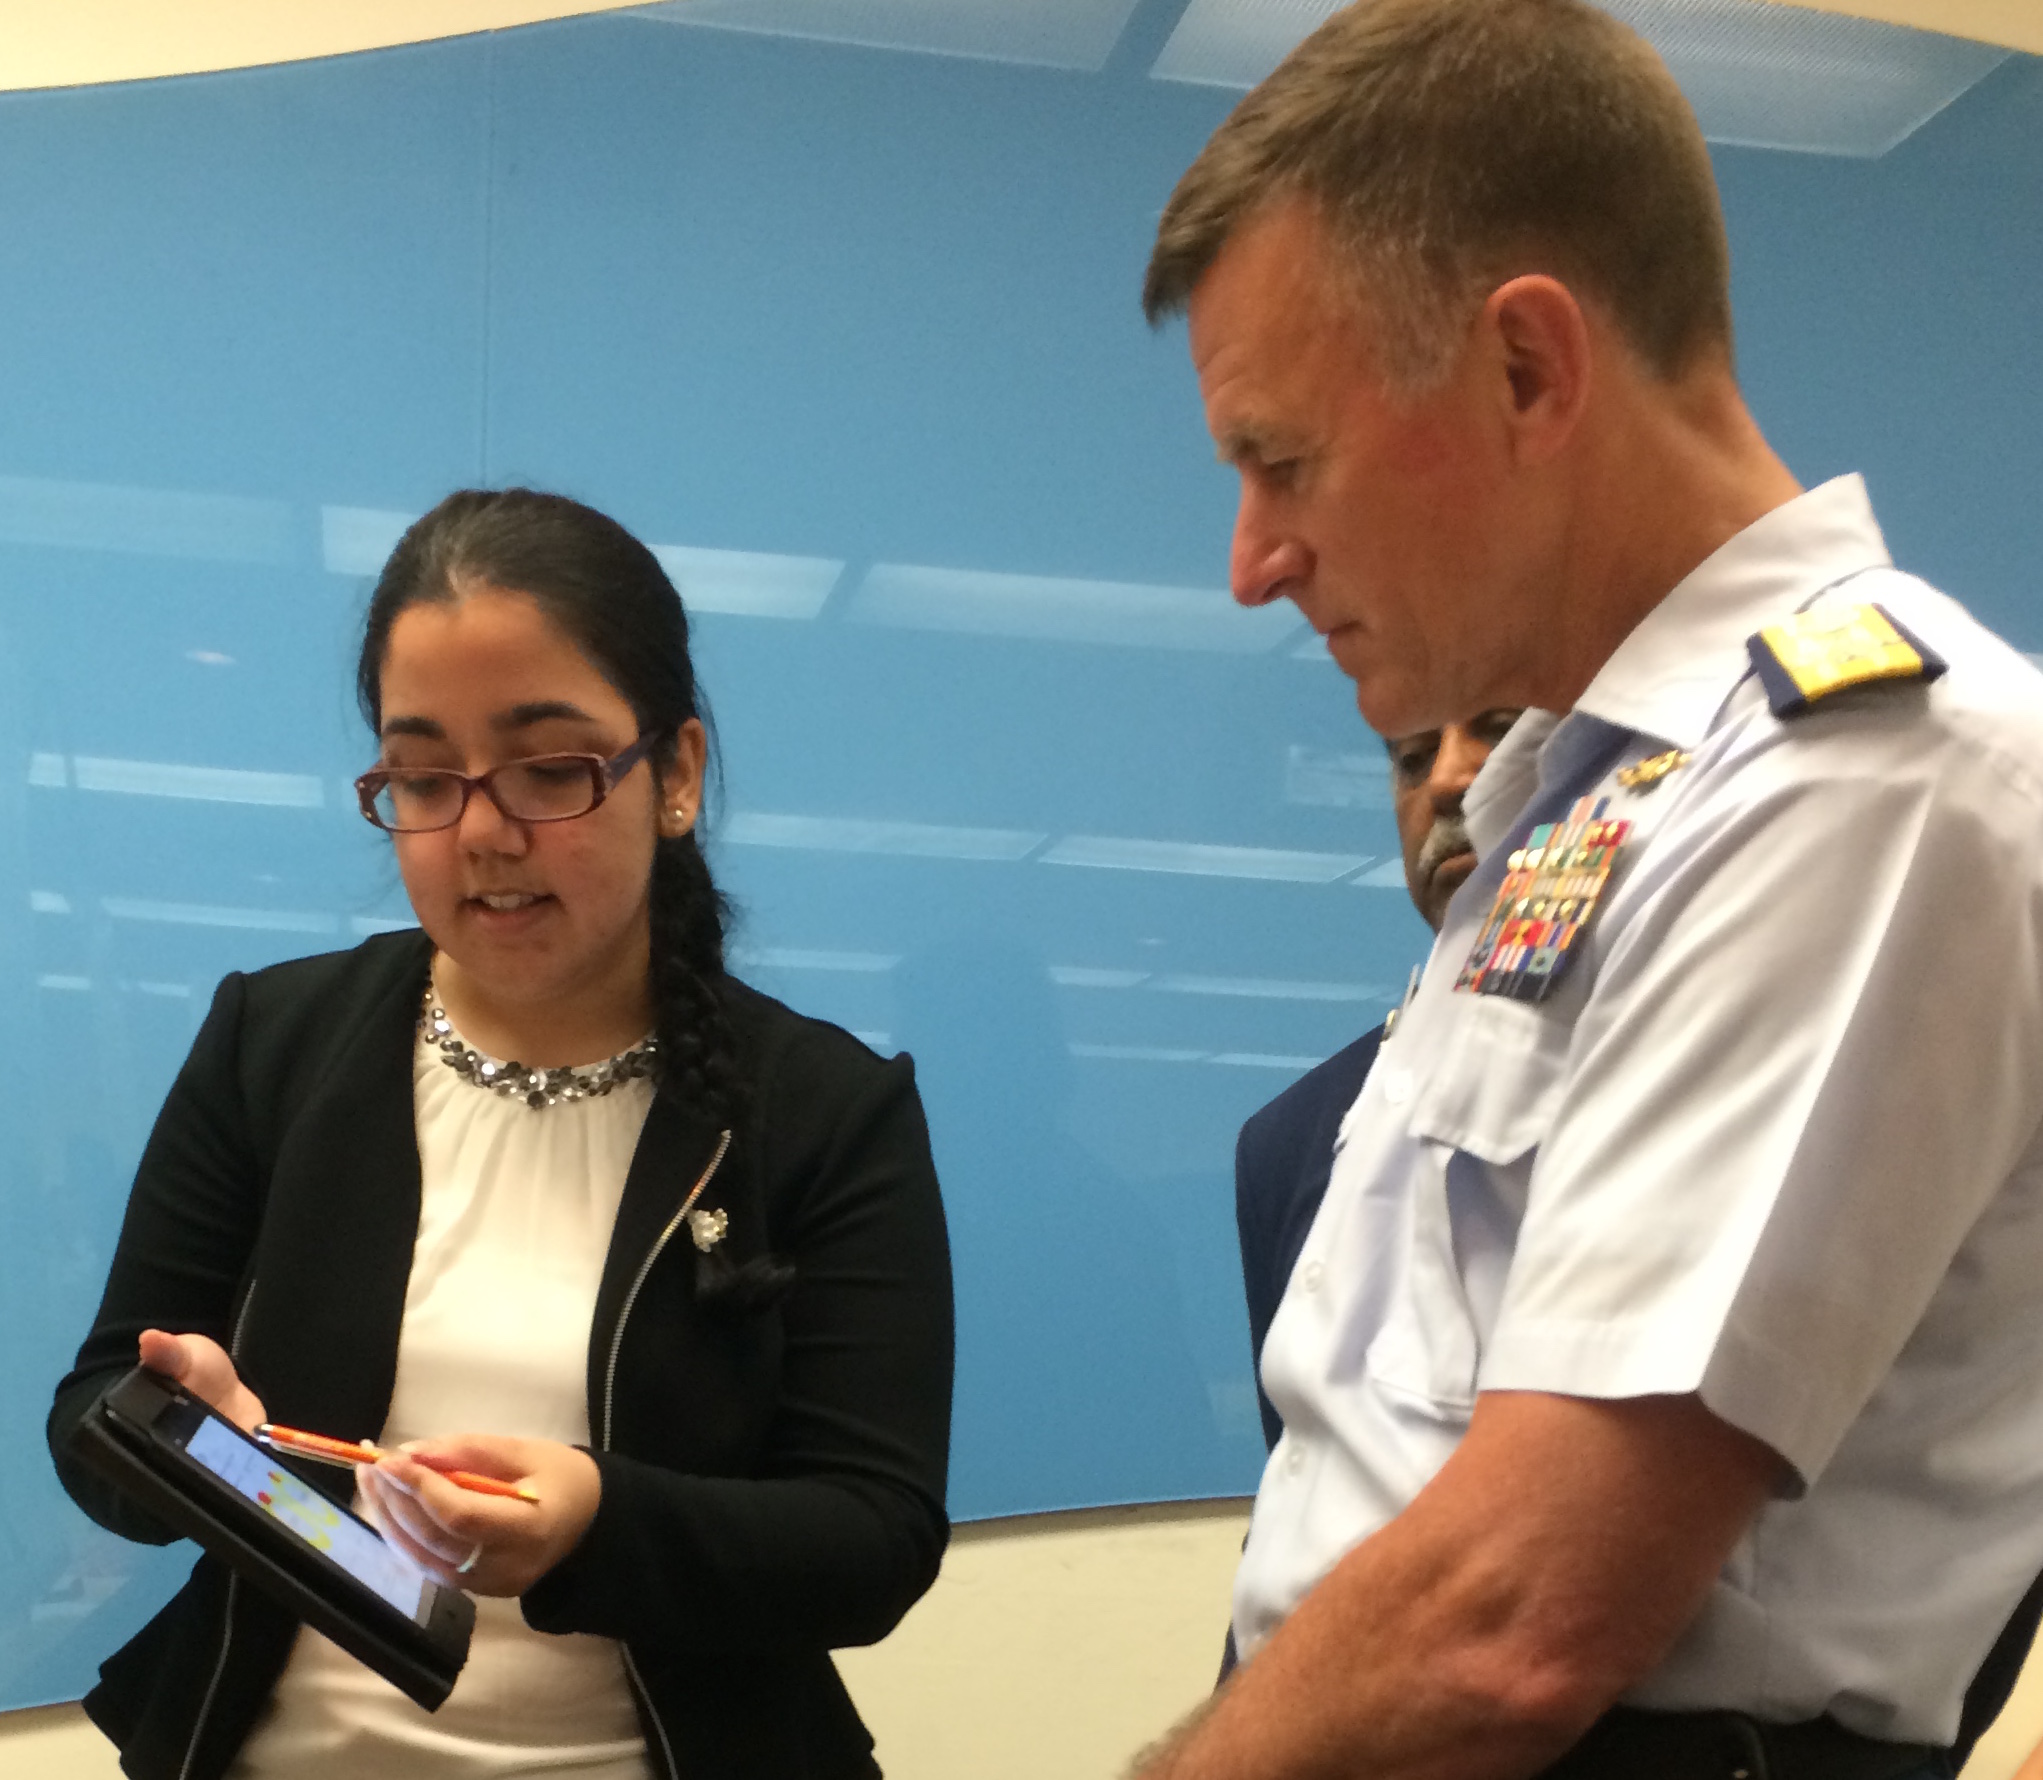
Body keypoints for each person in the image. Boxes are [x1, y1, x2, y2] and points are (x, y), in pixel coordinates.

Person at [1132, 2, 2043, 1777]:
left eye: (1282, 460)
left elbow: (1510, 1622)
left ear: (1527, 370)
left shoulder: (1859, 774)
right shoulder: (1591, 793)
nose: (1252, 564)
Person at [47, 489, 954, 1780]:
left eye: (548, 769)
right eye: (422, 778)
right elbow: (94, 1417)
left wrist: (597, 1519)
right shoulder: (275, 1042)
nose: (481, 831)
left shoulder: (822, 1110)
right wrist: (201, 1448)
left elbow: (873, 1541)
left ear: (676, 774)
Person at [1235, 712, 1518, 1452]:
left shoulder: (1667, 1051)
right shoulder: (1289, 1138)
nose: (1448, 783)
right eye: (1412, 758)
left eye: (1501, 732)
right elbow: (1298, 1479)